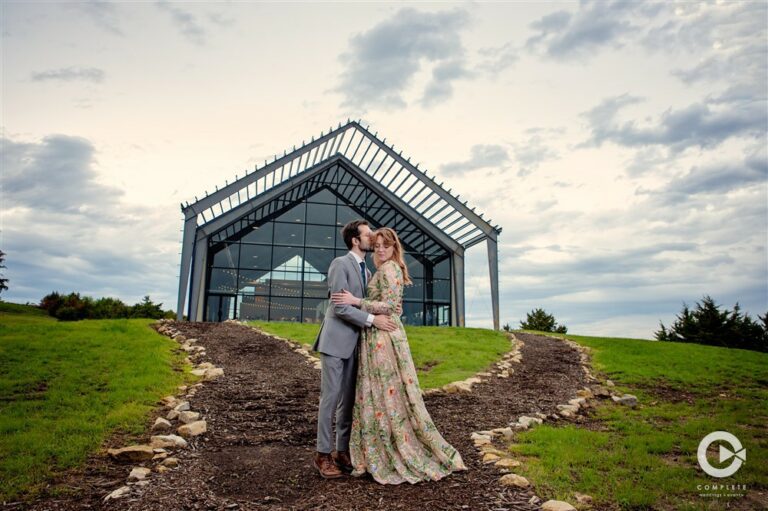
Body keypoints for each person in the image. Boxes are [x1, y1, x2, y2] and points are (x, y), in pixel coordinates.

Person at [331, 227, 467, 484]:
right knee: (378, 391)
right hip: (375, 335)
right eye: (378, 245)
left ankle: (392, 447)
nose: (381, 249)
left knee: (386, 389)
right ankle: (377, 447)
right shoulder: (380, 270)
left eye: (386, 245)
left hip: (384, 338)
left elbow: (392, 306)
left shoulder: (390, 269)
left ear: (394, 248)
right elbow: (393, 304)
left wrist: (356, 301)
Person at [311, 220, 397, 479]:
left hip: (356, 346)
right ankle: (322, 455)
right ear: (355, 241)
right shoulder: (340, 264)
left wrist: (389, 308)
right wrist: (373, 319)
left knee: (348, 402)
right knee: (331, 399)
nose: (372, 237)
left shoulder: (367, 272)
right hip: (335, 344)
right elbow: (339, 306)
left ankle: (341, 451)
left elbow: (365, 303)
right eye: (367, 234)